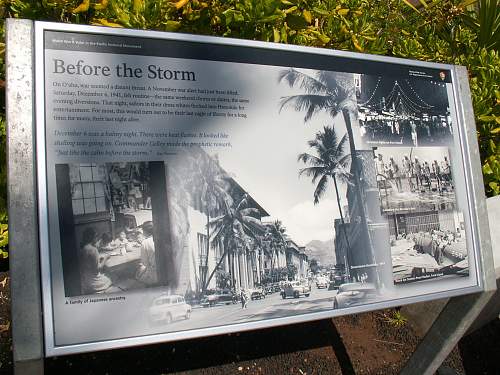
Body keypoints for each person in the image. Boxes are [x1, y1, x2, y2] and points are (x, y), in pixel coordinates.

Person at [79, 227, 111, 294]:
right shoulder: (93, 250)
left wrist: (98, 258)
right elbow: (98, 269)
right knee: (112, 277)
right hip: (93, 283)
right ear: (92, 238)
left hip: (85, 280)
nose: (97, 239)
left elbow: (88, 262)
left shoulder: (83, 248)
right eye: (96, 237)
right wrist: (105, 258)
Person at [135, 221, 157, 286]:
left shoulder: (145, 242)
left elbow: (145, 263)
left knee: (137, 274)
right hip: (165, 271)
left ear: (145, 231)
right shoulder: (159, 238)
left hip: (155, 274)